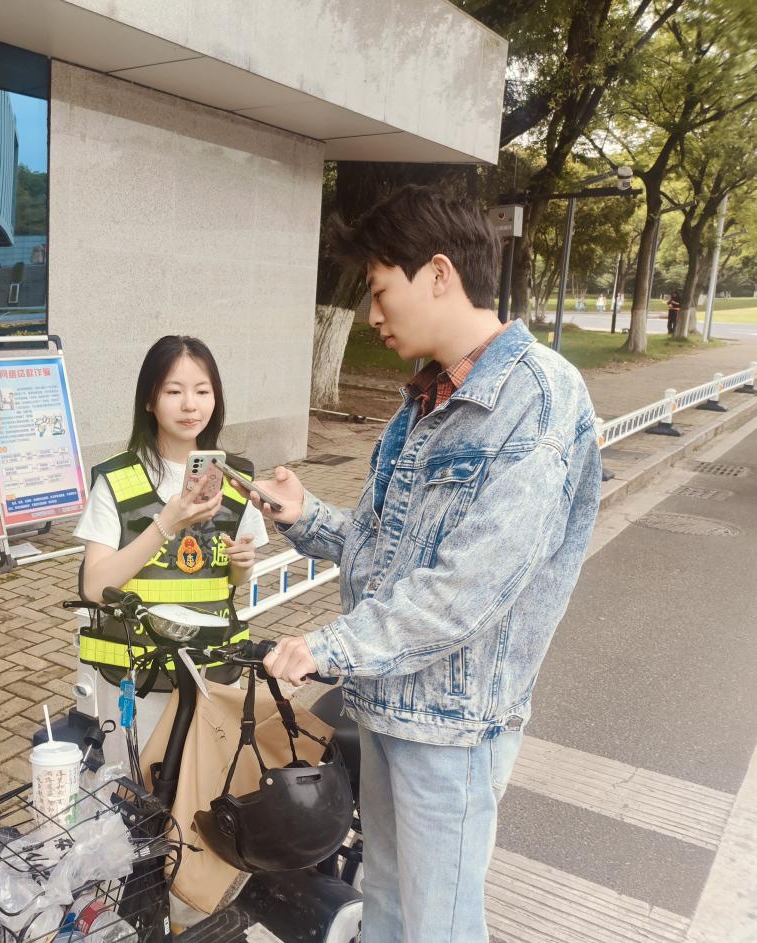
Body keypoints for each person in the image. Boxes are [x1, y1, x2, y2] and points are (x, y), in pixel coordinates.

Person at [249, 186, 602, 942]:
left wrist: (327, 645)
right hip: (388, 705)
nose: (373, 315)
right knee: (387, 904)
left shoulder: (537, 398)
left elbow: (467, 588)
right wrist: (306, 515)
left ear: (439, 274)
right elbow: (392, 553)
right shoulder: (425, 400)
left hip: (451, 730)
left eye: (380, 291)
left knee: (438, 925)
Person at [73, 336, 270, 757]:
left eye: (202, 391)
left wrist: (243, 563)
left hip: (213, 669)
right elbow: (94, 587)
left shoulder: (236, 481)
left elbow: (233, 580)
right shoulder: (116, 480)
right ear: (149, 400)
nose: (190, 405)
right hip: (136, 674)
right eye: (174, 391)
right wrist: (167, 524)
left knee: (207, 784)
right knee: (136, 784)